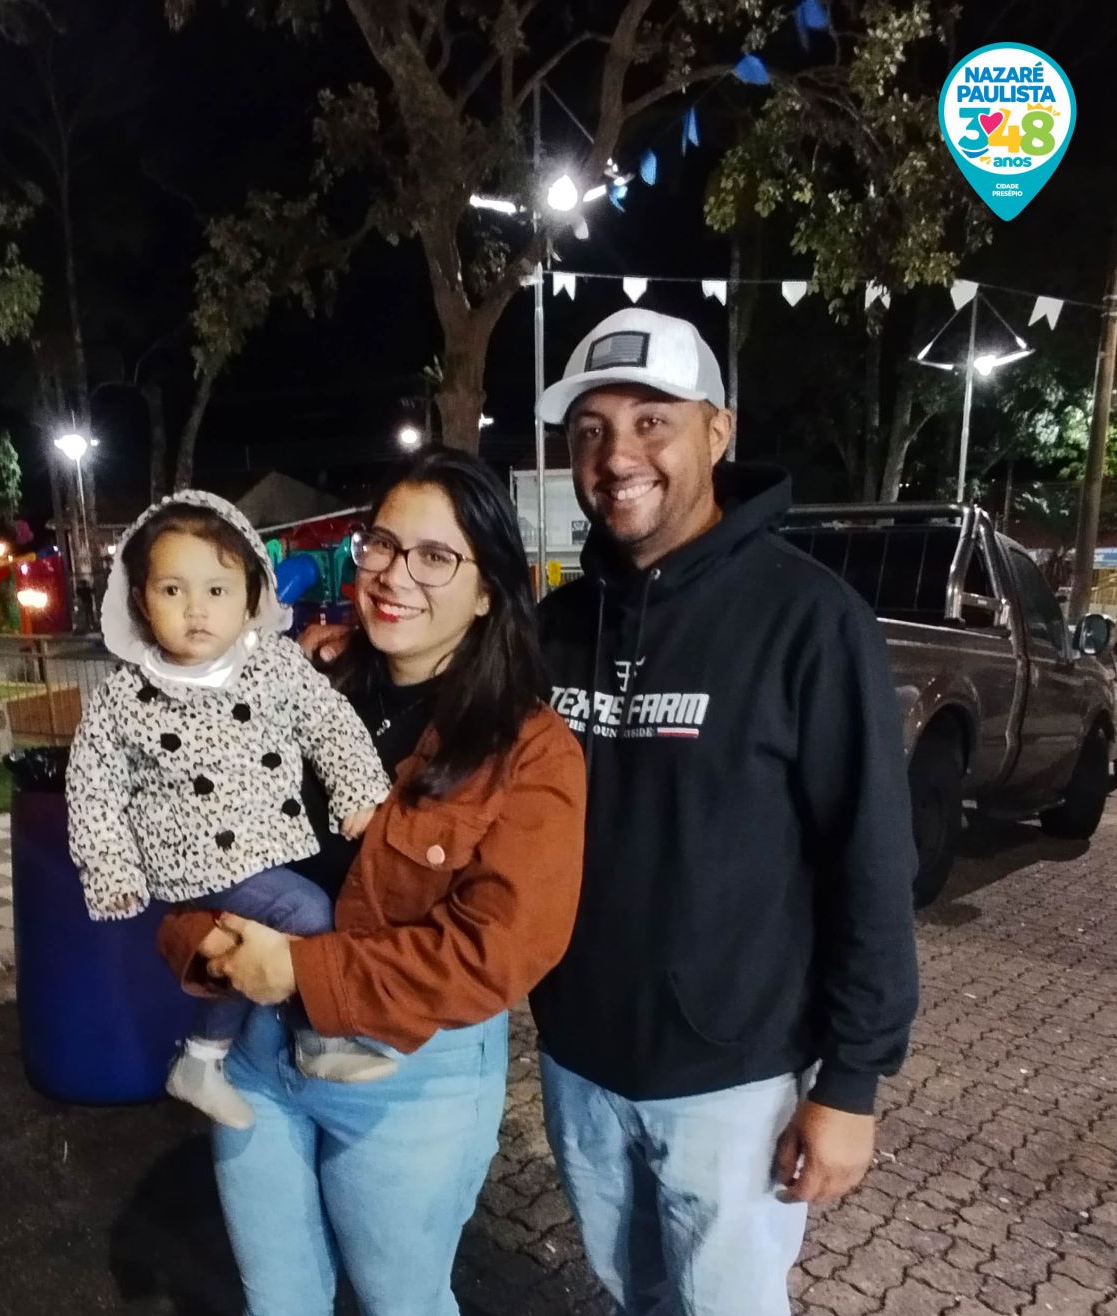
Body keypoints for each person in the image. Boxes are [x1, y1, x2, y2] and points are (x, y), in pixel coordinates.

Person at [529, 307, 921, 1315]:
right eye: (590, 430)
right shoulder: (558, 626)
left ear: (718, 430)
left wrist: (852, 1082)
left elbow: (872, 859)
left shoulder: (810, 619)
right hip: (579, 1061)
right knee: (634, 1296)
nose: (617, 455)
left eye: (651, 421)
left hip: (732, 1082)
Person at [155, 451, 586, 1316]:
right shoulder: (293, 687)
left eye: (436, 556)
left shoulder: (529, 748)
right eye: (382, 544)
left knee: (403, 1305)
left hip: (408, 1075)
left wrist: (300, 970)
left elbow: (499, 951)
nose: (395, 575)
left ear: (488, 590)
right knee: (278, 1301)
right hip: (257, 1054)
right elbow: (186, 833)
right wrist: (200, 943)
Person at [66, 490, 393, 1131]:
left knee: (252, 945)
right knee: (308, 912)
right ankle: (316, 1037)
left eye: (217, 590)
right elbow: (93, 786)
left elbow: (328, 721)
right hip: (189, 854)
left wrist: (356, 788)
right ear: (141, 601)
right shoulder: (124, 695)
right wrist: (111, 868)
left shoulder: (271, 663)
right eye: (172, 590)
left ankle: (202, 1057)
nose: (196, 610)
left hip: (264, 839)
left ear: (250, 597)